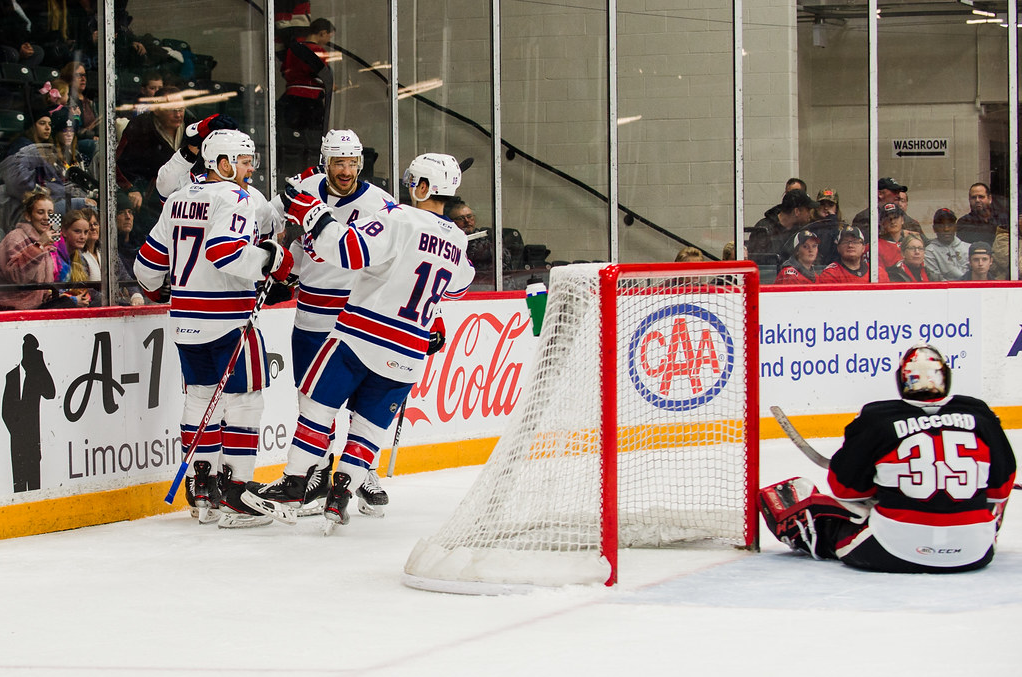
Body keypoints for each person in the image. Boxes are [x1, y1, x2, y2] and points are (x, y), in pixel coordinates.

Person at [243, 152, 475, 530]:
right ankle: (341, 494)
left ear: (423, 186)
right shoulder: (458, 242)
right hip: (410, 351)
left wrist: (311, 211)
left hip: (361, 336)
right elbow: (457, 286)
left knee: (317, 406)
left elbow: (347, 251)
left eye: (412, 181)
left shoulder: (399, 218)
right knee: (367, 427)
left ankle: (295, 484)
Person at [133, 129, 294, 528]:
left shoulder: (178, 200)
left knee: (199, 400)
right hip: (228, 321)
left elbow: (146, 269)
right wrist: (274, 260)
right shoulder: (234, 197)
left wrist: (159, 292)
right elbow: (224, 253)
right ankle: (237, 491)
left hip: (186, 321)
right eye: (242, 161)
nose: (249, 168)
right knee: (246, 402)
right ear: (221, 163)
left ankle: (201, 485)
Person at [759, 343, 1016, 573]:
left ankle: (817, 537)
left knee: (790, 497)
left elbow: (846, 490)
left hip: (890, 552)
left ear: (901, 380)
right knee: (992, 505)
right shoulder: (981, 415)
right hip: (975, 554)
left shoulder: (876, 417)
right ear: (946, 377)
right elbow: (1000, 490)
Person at [263, 129, 399, 517]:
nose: (345, 170)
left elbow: (395, 257)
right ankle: (317, 475)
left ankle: (363, 474)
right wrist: (279, 264)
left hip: (356, 319)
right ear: (325, 162)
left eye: (351, 162)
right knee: (311, 401)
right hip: (309, 315)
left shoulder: (380, 204)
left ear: (360, 162)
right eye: (337, 162)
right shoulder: (302, 189)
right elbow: (281, 234)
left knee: (361, 400)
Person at [116, 86, 190, 245]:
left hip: (186, 200)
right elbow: (117, 164)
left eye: (181, 109)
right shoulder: (139, 127)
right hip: (149, 201)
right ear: (156, 110)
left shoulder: (192, 127)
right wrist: (131, 189)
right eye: (172, 109)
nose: (178, 114)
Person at [0, 192, 76, 310]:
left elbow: (43, 289)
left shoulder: (46, 243)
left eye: (50, 213)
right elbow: (17, 277)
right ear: (28, 216)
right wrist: (39, 245)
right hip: (12, 309)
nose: (46, 217)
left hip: (35, 308)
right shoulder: (15, 237)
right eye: (40, 212)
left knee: (69, 302)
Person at [278, 17, 335, 131]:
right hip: (311, 99)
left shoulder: (293, 50)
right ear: (322, 33)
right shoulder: (319, 51)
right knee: (312, 133)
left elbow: (284, 71)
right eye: (329, 37)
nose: (328, 42)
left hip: (291, 96)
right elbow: (318, 75)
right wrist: (328, 85)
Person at [50, 208, 91, 306]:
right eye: (77, 231)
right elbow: (47, 294)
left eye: (86, 232)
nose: (83, 237)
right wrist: (73, 300)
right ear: (64, 231)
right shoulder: (52, 255)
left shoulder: (80, 258)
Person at [816, 226, 885, 283]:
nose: (850, 245)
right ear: (838, 248)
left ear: (863, 248)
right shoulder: (830, 274)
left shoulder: (877, 272)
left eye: (855, 242)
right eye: (845, 242)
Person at [771, 189, 818, 260]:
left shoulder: (802, 229)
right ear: (797, 211)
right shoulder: (765, 229)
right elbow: (761, 261)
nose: (810, 214)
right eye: (808, 210)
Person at [923, 208, 969, 282]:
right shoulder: (929, 252)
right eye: (941, 225)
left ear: (955, 227)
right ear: (934, 228)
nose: (946, 229)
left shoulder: (968, 248)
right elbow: (936, 279)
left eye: (950, 225)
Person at [877, 202, 905, 270]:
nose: (892, 222)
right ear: (881, 222)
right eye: (888, 218)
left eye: (896, 217)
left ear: (902, 220)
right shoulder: (876, 246)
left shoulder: (913, 243)